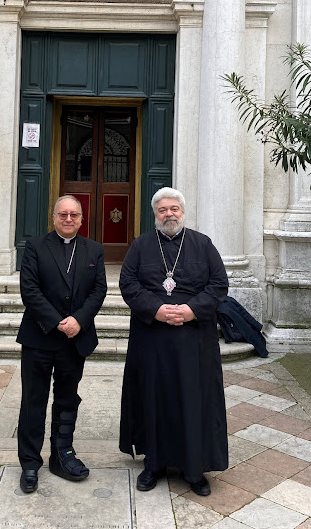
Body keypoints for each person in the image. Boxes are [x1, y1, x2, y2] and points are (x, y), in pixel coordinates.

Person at [119, 187, 228, 496]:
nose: (169, 214)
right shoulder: (141, 245)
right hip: (152, 340)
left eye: (174, 209)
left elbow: (219, 284)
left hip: (194, 341)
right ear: (155, 214)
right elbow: (127, 284)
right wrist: (157, 310)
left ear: (182, 211)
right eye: (162, 210)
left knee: (193, 401)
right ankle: (153, 464)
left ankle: (194, 470)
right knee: (153, 399)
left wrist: (192, 310)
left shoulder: (202, 244)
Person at [17, 195, 107, 493]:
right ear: (53, 217)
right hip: (39, 337)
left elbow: (99, 290)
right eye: (63, 214)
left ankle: (62, 455)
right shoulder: (35, 247)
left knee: (67, 399)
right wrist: (57, 321)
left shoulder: (94, 249)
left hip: (74, 340)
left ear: (82, 219)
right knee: (34, 400)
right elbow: (29, 290)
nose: (68, 219)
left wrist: (78, 320)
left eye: (74, 215)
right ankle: (30, 462)